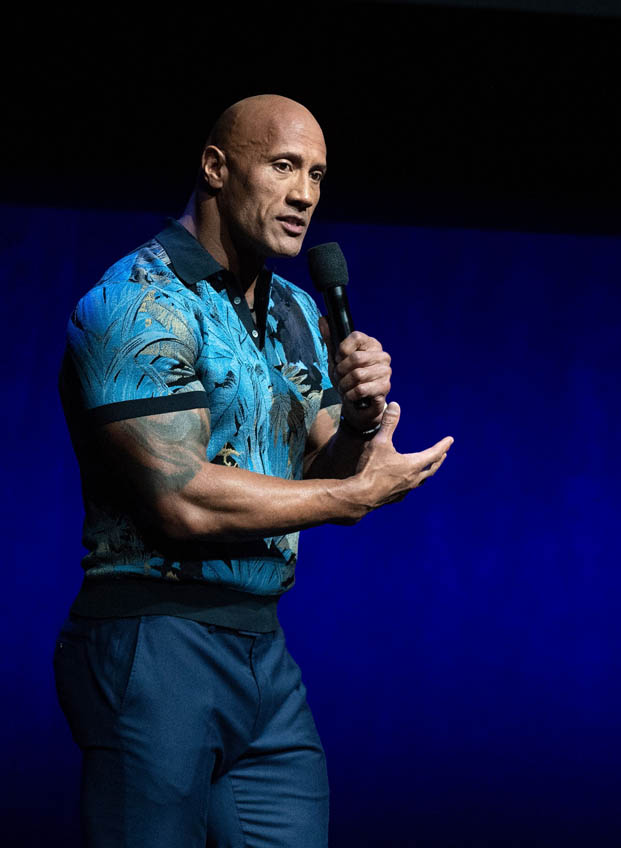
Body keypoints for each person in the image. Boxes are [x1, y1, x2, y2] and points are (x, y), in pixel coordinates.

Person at [55, 94, 453, 846]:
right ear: (216, 168)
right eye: (283, 166)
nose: (305, 194)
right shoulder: (137, 303)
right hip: (154, 640)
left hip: (262, 648)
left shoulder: (295, 310)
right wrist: (350, 496)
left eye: (317, 175)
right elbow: (182, 499)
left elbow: (319, 464)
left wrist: (359, 424)